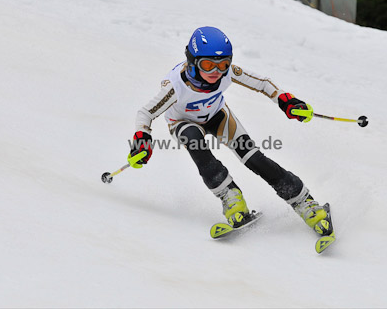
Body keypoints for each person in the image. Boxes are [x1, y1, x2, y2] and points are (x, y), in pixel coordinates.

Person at [129, 26, 332, 236]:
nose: (216, 72)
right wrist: (142, 139)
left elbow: (262, 83)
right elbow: (145, 113)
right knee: (194, 142)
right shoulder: (175, 86)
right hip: (183, 122)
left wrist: (285, 100)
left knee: (254, 159)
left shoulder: (226, 74)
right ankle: (230, 197)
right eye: (208, 64)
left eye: (223, 64)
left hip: (218, 117)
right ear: (192, 61)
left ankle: (304, 202)